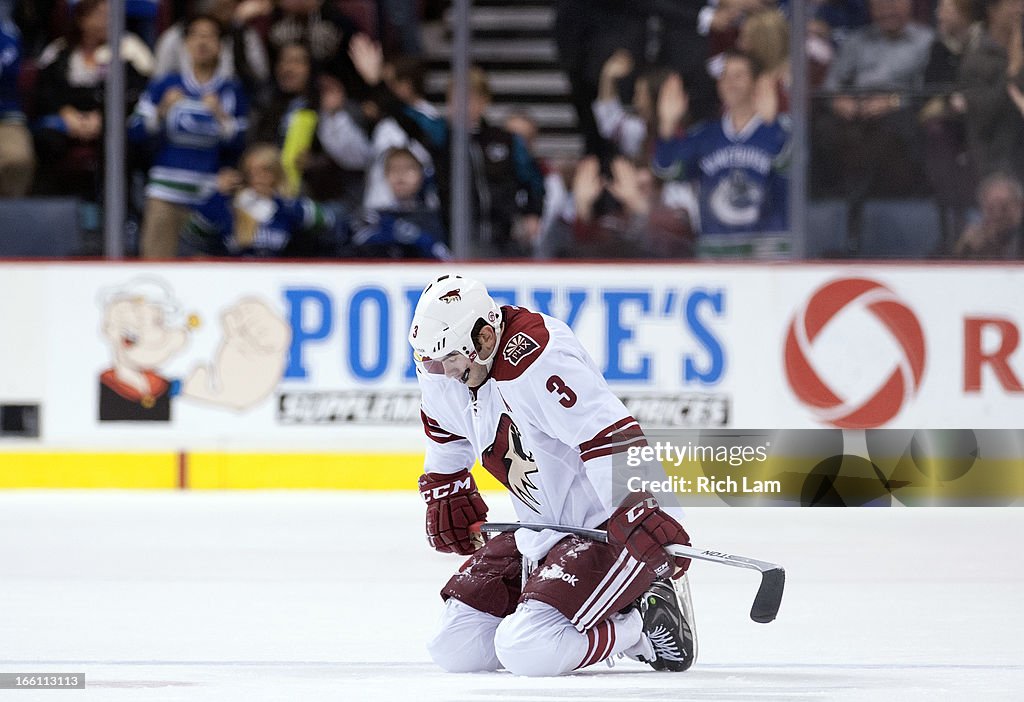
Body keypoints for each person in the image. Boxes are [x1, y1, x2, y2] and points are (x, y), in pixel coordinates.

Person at [408, 274, 695, 676]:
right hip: (540, 527)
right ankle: (571, 608)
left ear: (486, 338)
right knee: (456, 648)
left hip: (609, 528)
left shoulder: (538, 357)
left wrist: (638, 506)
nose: (443, 372)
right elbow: (444, 429)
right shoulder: (444, 366)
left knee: (529, 649)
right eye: (432, 362)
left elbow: (606, 433)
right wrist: (445, 485)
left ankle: (639, 625)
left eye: (451, 360)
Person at [128, 14, 249, 258]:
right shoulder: (165, 85)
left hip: (207, 197)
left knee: (202, 271)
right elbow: (134, 131)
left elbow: (240, 141)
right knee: (155, 267)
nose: (202, 42)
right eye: (196, 35)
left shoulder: (230, 90)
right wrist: (161, 111)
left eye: (209, 36)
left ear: (220, 45)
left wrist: (220, 116)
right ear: (185, 44)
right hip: (165, 193)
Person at [653, 52, 790, 257]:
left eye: (738, 76)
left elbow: (787, 165)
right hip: (716, 253)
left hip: (769, 253)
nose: (729, 82)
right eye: (724, 76)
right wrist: (667, 124)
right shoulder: (704, 134)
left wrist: (771, 124)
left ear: (757, 83)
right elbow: (669, 171)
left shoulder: (783, 128)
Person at [182, 142, 339, 257]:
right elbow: (194, 232)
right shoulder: (230, 206)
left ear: (276, 174)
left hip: (277, 278)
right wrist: (217, 195)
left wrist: (281, 203)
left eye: (266, 171)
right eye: (252, 172)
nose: (259, 177)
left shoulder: (286, 207)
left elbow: (327, 221)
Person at [349, 146, 449, 259]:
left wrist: (416, 237)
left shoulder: (436, 217)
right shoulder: (375, 217)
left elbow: (444, 257)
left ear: (422, 173)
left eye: (408, 168)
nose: (400, 175)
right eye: (394, 169)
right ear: (385, 174)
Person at [0, 14, 34, 197]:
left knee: (17, 159)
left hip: (5, 120)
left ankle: (9, 220)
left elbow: (7, 65)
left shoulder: (6, 34)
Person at [952, 170, 1024, 258]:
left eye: (1004, 207)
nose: (997, 214)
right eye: (991, 208)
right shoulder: (973, 240)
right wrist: (965, 249)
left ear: (1019, 206)